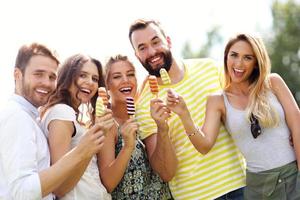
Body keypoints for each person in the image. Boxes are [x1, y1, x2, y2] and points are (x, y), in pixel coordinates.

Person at [167, 33, 300, 199]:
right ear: (226, 58)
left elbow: (297, 125)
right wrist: (184, 115)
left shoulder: (273, 83)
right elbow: (204, 145)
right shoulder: (218, 101)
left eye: (247, 58)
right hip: (259, 188)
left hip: (293, 175)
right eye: (234, 55)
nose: (238, 63)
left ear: (256, 63)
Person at [128, 19, 246, 199]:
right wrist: (162, 128)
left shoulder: (210, 68)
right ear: (137, 55)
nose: (151, 52)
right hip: (195, 196)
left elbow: (244, 115)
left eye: (155, 42)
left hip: (240, 185)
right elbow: (166, 173)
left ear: (168, 41)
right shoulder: (144, 106)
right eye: (142, 48)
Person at [0, 43, 106, 200]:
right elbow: (23, 192)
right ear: (17, 75)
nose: (47, 83)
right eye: (38, 74)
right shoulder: (17, 117)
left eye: (52, 77)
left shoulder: (30, 117)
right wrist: (82, 151)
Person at [98, 54, 172, 199]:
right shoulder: (108, 123)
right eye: (117, 76)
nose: (126, 80)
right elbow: (108, 183)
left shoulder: (145, 114)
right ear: (107, 85)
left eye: (130, 74)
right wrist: (127, 147)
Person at [40, 54, 113, 199]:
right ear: (68, 76)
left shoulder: (71, 115)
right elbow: (60, 187)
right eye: (83, 75)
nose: (90, 82)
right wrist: (90, 146)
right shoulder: (62, 112)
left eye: (95, 79)